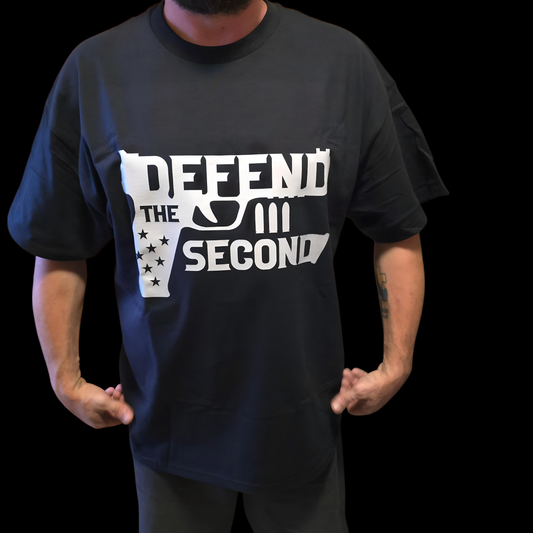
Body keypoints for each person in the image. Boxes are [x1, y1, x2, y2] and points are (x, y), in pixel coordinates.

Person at [7, 0, 449, 531]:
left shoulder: (341, 62)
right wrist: (65, 380)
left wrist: (397, 364)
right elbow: (57, 242)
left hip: (303, 419)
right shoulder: (96, 69)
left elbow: (398, 227)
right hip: (165, 425)